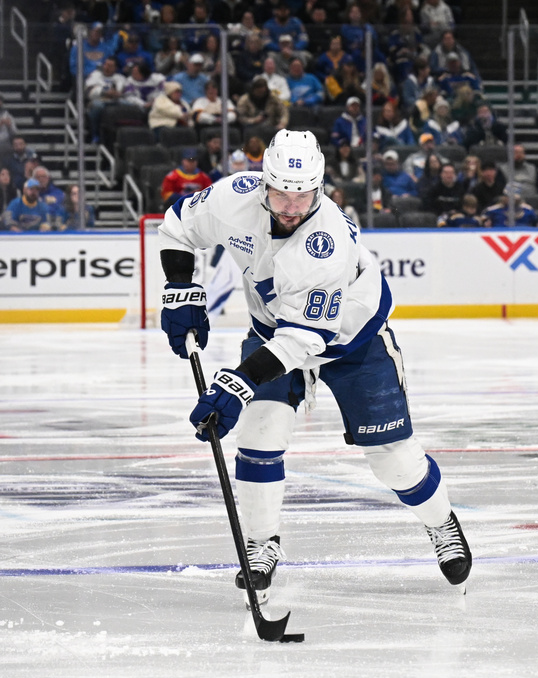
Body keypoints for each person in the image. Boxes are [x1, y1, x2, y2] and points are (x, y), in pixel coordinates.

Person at [157, 129, 471, 604]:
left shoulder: (325, 242)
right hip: (272, 333)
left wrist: (238, 382)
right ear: (264, 182)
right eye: (280, 192)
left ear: (320, 187)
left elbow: (307, 339)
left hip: (350, 344)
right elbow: (179, 224)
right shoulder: (234, 196)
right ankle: (262, 542)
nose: (290, 206)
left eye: (302, 195)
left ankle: (440, 522)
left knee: (394, 459)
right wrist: (181, 290)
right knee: (258, 436)